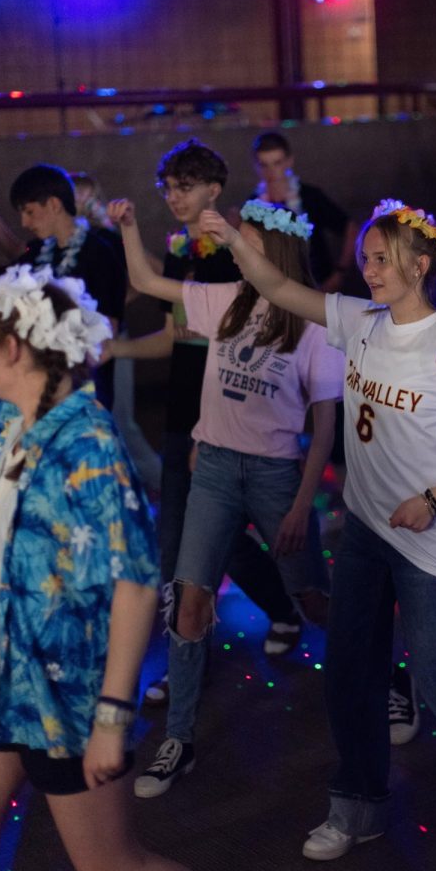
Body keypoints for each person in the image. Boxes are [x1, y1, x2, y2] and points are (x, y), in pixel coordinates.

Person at [0, 263, 292, 871]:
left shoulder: (87, 446)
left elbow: (136, 586)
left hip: (65, 697)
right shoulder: (4, 416)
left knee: (111, 870)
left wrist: (114, 717)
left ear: (16, 349)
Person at [197, 198, 436, 861]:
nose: (367, 270)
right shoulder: (359, 320)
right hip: (367, 532)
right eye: (366, 258)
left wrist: (431, 500)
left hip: (429, 544)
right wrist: (231, 236)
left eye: (381, 260)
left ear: (419, 266)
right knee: (348, 670)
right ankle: (357, 805)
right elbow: (277, 285)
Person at [107, 196, 342, 797]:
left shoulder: (314, 323)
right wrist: (129, 226)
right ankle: (179, 740)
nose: (236, 250)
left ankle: (388, 678)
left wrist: (302, 505)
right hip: (212, 468)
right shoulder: (227, 299)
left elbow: (324, 429)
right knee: (189, 600)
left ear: (275, 251)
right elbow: (146, 282)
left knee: (314, 600)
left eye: (247, 242)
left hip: (275, 475)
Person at [106, 140, 303, 671]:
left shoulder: (238, 252)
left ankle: (287, 609)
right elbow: (176, 335)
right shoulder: (180, 247)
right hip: (183, 405)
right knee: (179, 542)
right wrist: (117, 348)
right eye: (169, 188)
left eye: (186, 187)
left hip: (227, 411)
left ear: (214, 190)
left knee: (236, 538)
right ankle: (188, 667)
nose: (175, 197)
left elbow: (230, 334)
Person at [0, 164, 127, 408]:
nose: (24, 222)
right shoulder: (37, 252)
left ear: (54, 204)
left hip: (85, 393)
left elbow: (108, 333)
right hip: (40, 391)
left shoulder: (100, 252)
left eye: (29, 212)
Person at [250, 131, 357, 291]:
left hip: (318, 285)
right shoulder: (253, 205)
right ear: (256, 166)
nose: (271, 171)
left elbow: (351, 228)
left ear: (289, 161)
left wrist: (339, 274)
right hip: (274, 290)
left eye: (277, 163)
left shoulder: (310, 196)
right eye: (264, 165)